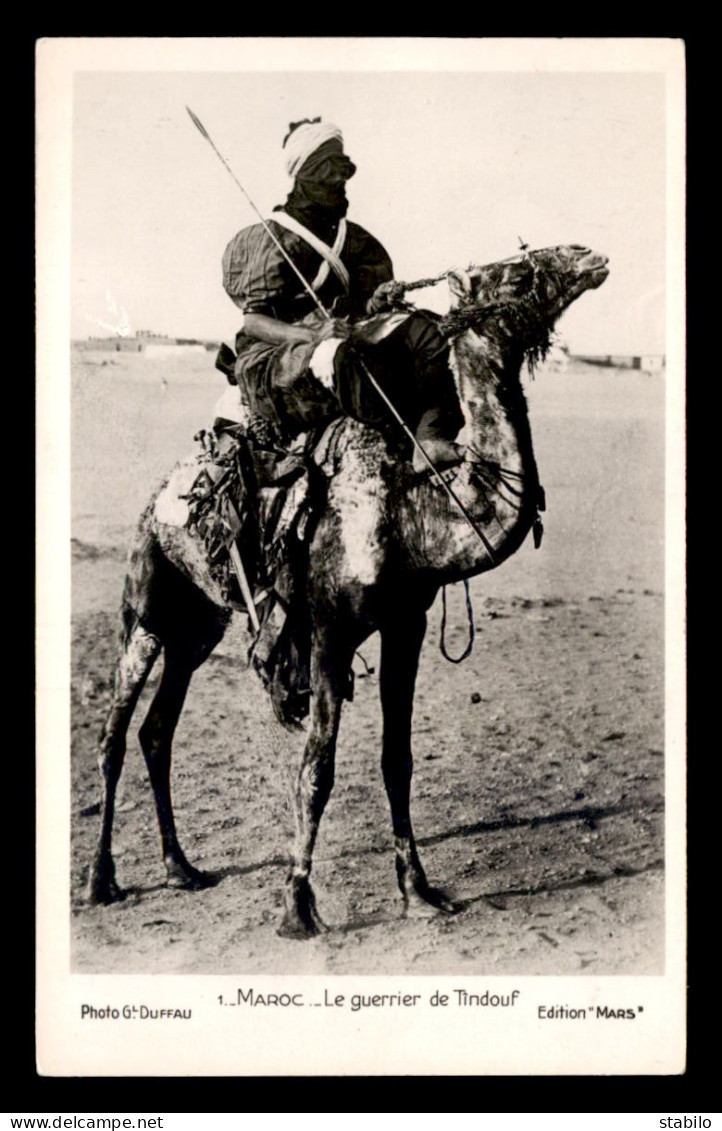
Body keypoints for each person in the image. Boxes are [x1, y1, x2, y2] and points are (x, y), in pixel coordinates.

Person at [216, 117, 465, 472]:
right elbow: (254, 322)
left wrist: (375, 303)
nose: (339, 181)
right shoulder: (268, 240)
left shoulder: (357, 241)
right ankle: (387, 438)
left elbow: (361, 308)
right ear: (303, 176)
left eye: (341, 171)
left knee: (431, 332)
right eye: (326, 171)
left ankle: (430, 437)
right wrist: (313, 334)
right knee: (343, 357)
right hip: (280, 354)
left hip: (344, 332)